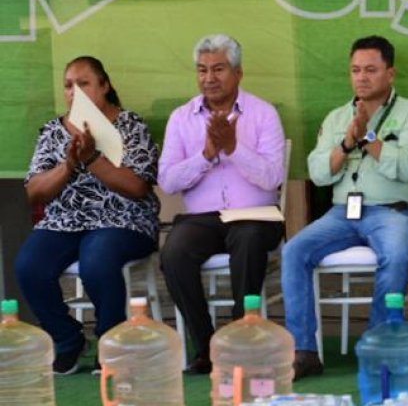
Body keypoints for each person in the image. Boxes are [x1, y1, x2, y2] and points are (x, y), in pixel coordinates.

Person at [283, 35, 408, 379]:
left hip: (392, 212)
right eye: (355, 70)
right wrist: (348, 140)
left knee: (395, 254)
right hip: (341, 213)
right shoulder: (337, 117)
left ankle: (378, 346)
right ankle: (304, 350)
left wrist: (368, 138)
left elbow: (407, 167)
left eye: (370, 70)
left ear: (390, 74)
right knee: (294, 251)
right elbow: (319, 173)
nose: (361, 77)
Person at [17, 56, 160, 375]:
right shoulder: (54, 131)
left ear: (105, 86)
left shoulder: (130, 125)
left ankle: (111, 342)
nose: (74, 92)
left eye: (84, 83)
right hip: (65, 220)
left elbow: (138, 187)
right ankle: (67, 340)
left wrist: (92, 157)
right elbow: (33, 191)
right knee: (28, 266)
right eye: (69, 86)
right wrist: (69, 166)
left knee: (97, 258)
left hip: (123, 219)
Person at [158, 34, 287, 374]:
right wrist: (206, 156)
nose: (209, 78)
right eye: (202, 70)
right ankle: (207, 346)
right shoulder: (181, 118)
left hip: (256, 216)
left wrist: (233, 147)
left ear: (238, 73)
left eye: (218, 69)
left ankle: (241, 338)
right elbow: (168, 181)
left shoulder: (263, 114)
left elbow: (273, 177)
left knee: (247, 240)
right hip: (203, 218)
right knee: (174, 253)